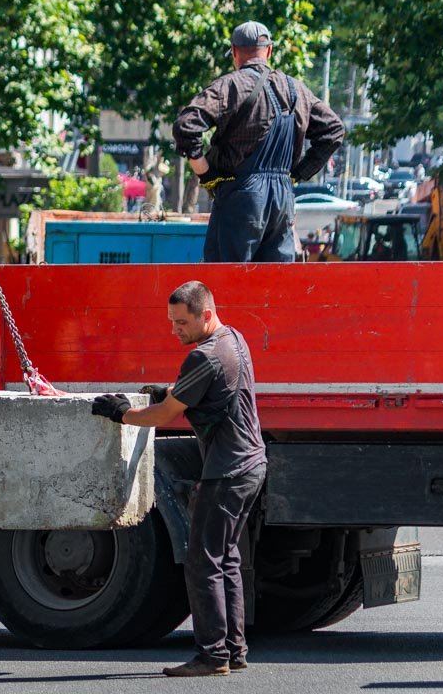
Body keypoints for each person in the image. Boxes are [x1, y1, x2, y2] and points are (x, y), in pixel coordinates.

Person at [92, 281, 266, 677]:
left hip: (228, 471)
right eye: (171, 322)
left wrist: (121, 413)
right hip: (251, 465)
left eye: (182, 322)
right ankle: (234, 650)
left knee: (202, 561)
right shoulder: (233, 340)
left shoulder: (202, 357)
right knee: (227, 559)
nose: (175, 330)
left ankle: (212, 655)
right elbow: (201, 393)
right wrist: (166, 391)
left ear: (205, 314)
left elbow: (165, 416)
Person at [172, 21, 344, 262]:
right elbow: (334, 130)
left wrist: (205, 172)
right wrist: (297, 173)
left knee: (227, 284)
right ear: (269, 51)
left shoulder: (229, 86)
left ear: (234, 52)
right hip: (283, 200)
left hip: (242, 197)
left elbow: (185, 126)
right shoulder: (297, 90)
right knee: (274, 285)